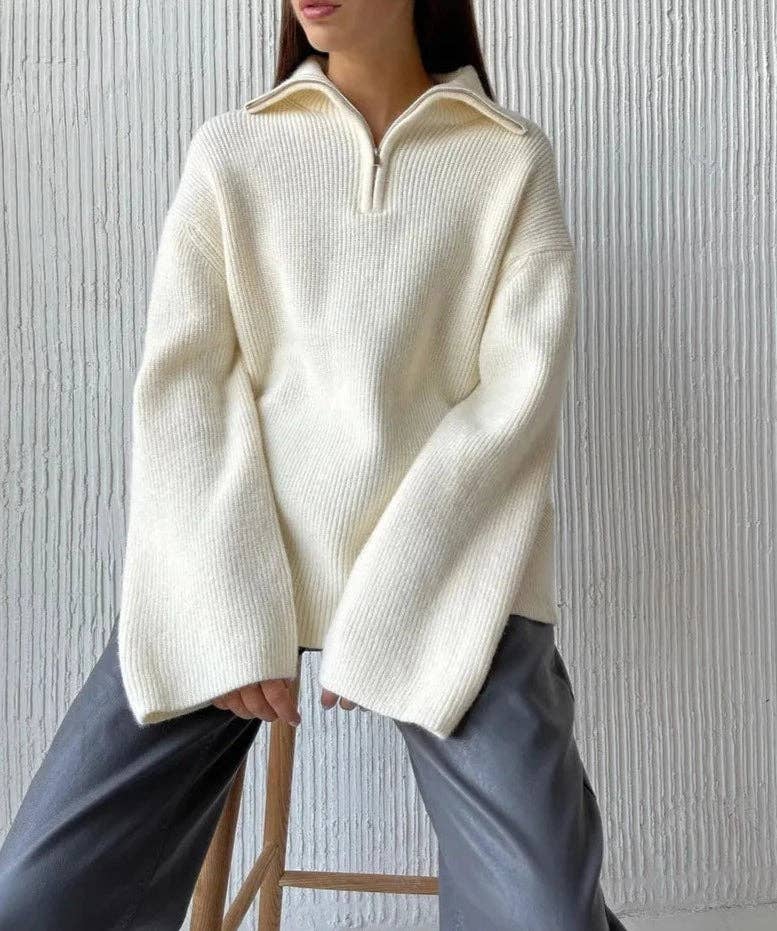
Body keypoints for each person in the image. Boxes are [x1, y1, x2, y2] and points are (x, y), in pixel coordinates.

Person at [0, 1, 629, 929]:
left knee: (548, 915)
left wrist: (392, 608)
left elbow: (512, 412)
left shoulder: (506, 160)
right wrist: (228, 611)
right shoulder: (232, 152)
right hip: (229, 566)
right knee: (31, 900)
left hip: (451, 573)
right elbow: (184, 393)